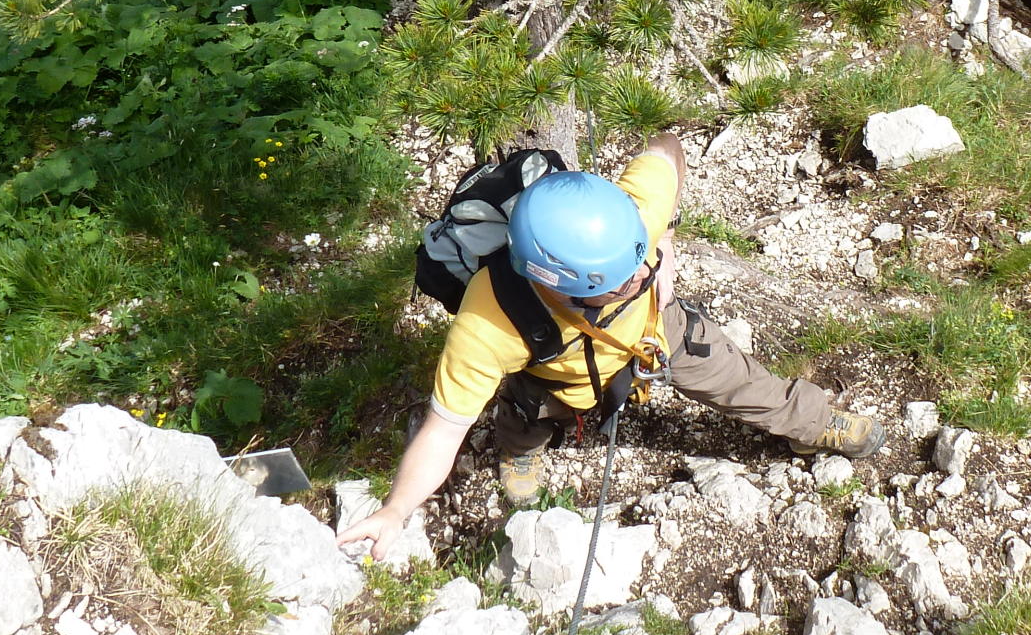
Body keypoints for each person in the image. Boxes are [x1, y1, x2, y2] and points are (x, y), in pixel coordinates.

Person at [339, 131, 885, 565]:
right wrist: (396, 509)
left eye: (639, 260)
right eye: (622, 281)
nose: (641, 274)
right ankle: (520, 450)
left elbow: (667, 149)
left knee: (737, 379)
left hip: (654, 332)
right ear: (558, 284)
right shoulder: (490, 323)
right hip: (555, 369)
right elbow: (442, 431)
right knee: (530, 409)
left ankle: (813, 423)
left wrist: (665, 238)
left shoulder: (632, 215)